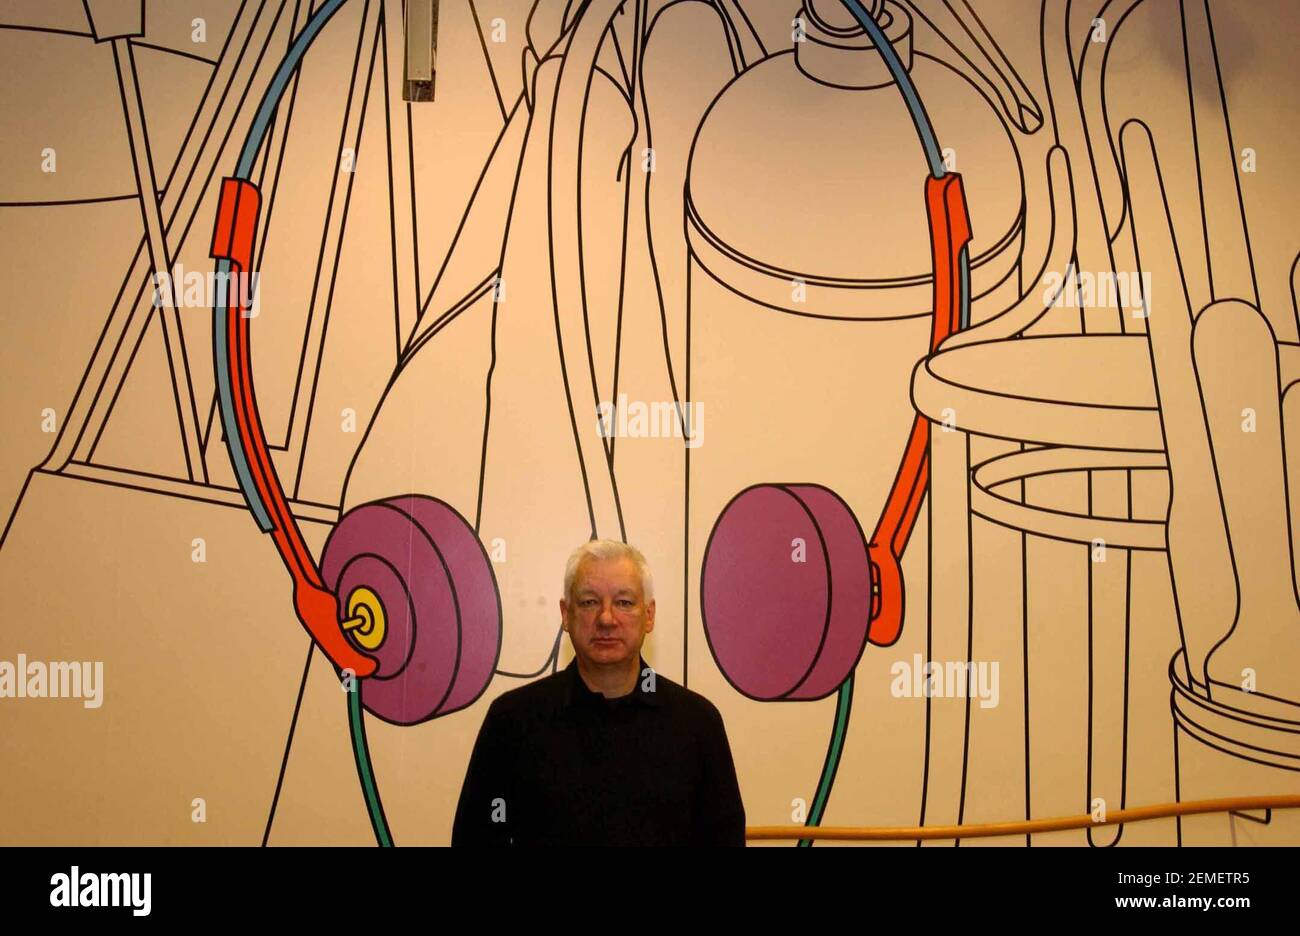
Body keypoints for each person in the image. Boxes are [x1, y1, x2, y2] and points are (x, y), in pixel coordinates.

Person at [451, 540, 745, 846]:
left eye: (624, 602)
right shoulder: (511, 721)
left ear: (649, 615)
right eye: (589, 602)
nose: (606, 618)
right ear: (566, 614)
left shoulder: (698, 723)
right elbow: (474, 838)